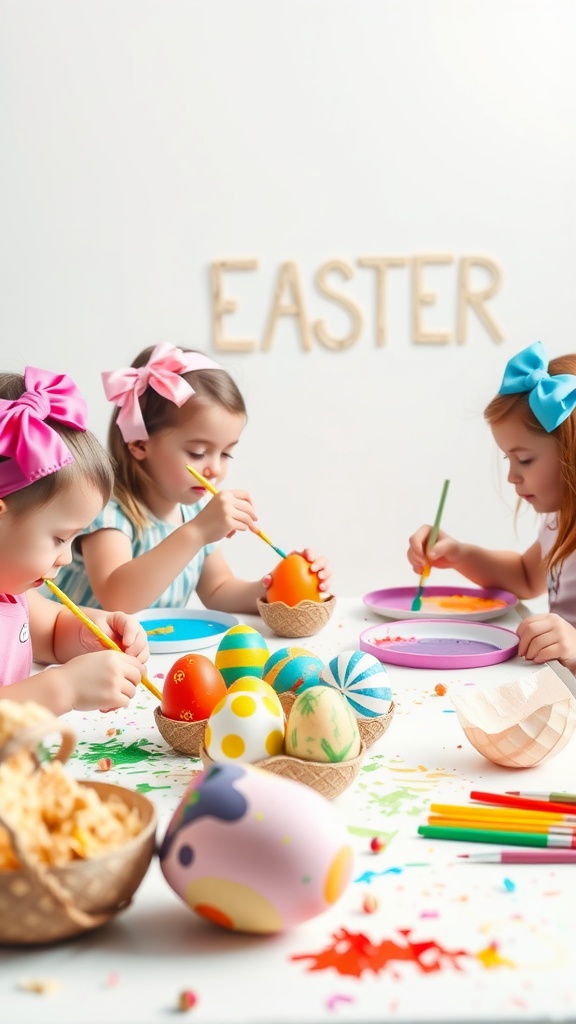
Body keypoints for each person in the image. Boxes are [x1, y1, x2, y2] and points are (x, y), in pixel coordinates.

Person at [50, 343, 332, 615]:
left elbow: (218, 589)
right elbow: (117, 597)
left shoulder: (194, 512)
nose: (215, 469)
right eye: (198, 453)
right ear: (138, 443)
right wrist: (197, 533)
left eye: (226, 454)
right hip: (83, 652)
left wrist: (279, 587)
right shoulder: (109, 512)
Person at [407, 341, 576, 672]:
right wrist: (458, 554)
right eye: (507, 459)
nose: (512, 476)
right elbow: (527, 577)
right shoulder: (558, 521)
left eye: (524, 459)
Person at [0, 366, 150, 714]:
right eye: (58, 538)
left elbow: (50, 633)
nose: (66, 558)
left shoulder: (12, 591)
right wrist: (62, 688)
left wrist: (89, 634)